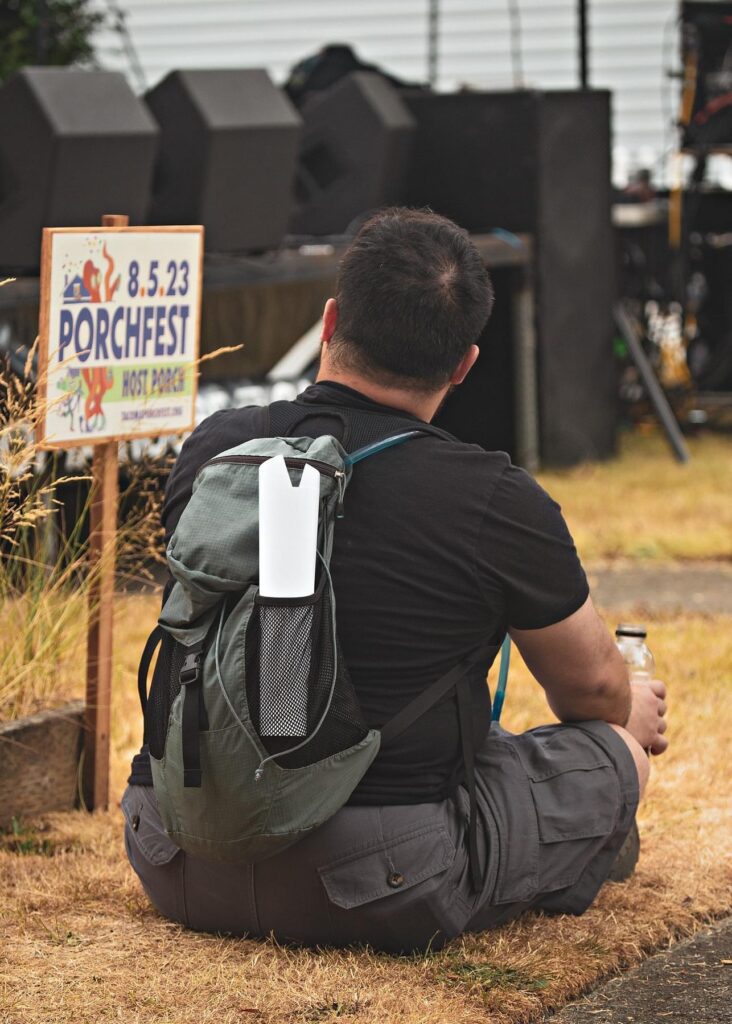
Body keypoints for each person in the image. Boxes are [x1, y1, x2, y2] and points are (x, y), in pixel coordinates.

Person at [123, 208, 668, 953]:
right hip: (374, 881)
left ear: (330, 319)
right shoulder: (495, 498)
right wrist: (630, 713)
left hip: (174, 852)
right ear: (464, 363)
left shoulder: (218, 449)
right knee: (617, 750)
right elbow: (593, 696)